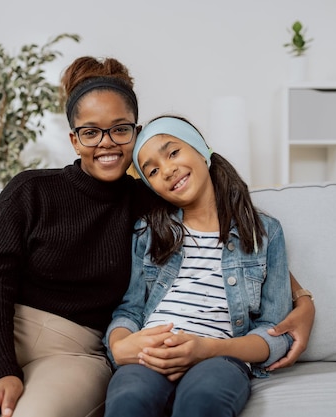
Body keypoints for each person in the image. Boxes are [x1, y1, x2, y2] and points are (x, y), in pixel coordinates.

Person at [0, 57, 314, 417]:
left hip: (74, 351)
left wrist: (304, 302)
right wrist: (0, 370)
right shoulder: (31, 190)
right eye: (91, 132)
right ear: (74, 139)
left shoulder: (150, 204)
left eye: (119, 130)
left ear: (134, 133)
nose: (107, 144)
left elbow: (239, 248)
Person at [104, 115, 299, 417]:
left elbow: (273, 333)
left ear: (202, 150)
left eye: (173, 152)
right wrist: (122, 345)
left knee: (202, 401)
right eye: (153, 171)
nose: (167, 170)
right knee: (129, 399)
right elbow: (129, 311)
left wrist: (207, 349)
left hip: (218, 358)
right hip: (152, 354)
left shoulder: (265, 233)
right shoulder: (148, 231)